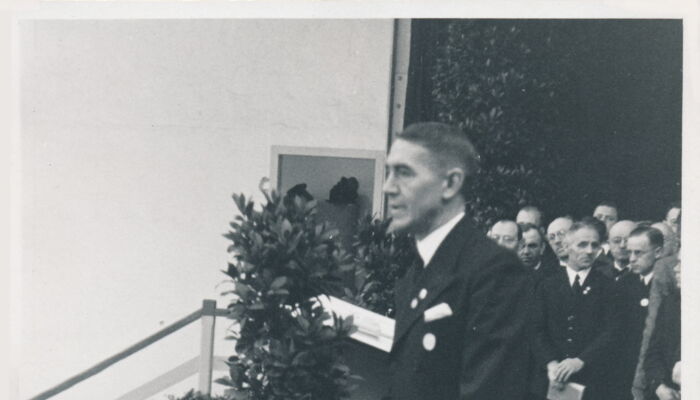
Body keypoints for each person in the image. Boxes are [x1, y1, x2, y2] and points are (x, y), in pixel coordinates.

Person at [383, 122, 531, 400]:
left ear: (450, 183)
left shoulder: (494, 271)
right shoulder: (416, 272)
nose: (388, 187)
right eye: (388, 172)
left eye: (404, 173)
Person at [531, 220, 622, 400]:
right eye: (582, 244)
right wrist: (551, 363)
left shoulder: (608, 287)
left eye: (594, 245)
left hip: (592, 379)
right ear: (566, 246)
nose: (589, 251)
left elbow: (612, 331)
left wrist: (581, 360)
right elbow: (536, 329)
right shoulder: (547, 285)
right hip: (551, 378)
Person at [614, 226, 664, 400]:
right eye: (630, 252)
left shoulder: (666, 286)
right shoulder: (623, 284)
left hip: (656, 374)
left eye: (639, 253)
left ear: (658, 252)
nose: (632, 259)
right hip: (626, 371)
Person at [644, 259, 681, 400]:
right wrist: (659, 386)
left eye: (683, 263)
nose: (676, 269)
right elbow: (653, 353)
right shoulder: (670, 304)